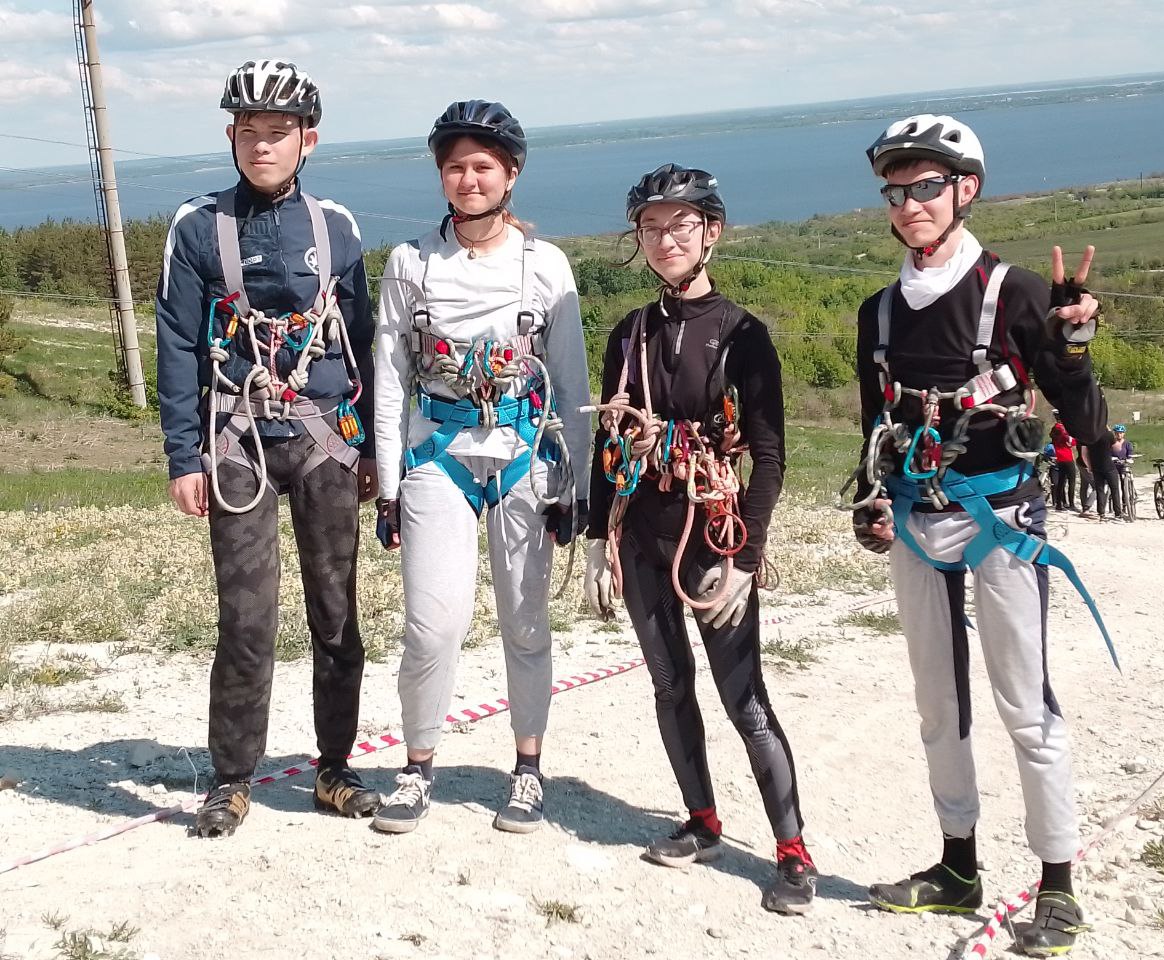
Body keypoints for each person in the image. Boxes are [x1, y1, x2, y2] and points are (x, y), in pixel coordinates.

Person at [849, 115, 1113, 956]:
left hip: (1000, 520)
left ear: (966, 189)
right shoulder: (879, 313)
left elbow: (1087, 423)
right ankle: (957, 866)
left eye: (927, 186)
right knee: (939, 703)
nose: (910, 203)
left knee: (1024, 704)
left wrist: (1070, 349)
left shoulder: (1018, 293)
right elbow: (875, 428)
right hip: (916, 521)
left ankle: (1058, 886)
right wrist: (870, 501)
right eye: (897, 190)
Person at [581, 164, 817, 915]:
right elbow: (608, 441)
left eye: (680, 225)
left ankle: (793, 852)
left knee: (743, 699)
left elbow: (770, 456)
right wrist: (597, 540)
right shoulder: (629, 334)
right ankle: (703, 821)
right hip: (641, 535)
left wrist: (746, 560)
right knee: (669, 684)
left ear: (711, 231)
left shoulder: (743, 336)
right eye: (650, 227)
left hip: (712, 534)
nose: (665, 240)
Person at [155, 60, 380, 837]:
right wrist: (182, 456)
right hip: (236, 440)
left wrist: (371, 447)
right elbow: (176, 343)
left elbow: (362, 339)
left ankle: (334, 768)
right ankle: (231, 778)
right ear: (231, 136)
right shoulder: (196, 227)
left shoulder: (336, 227)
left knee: (336, 614)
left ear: (306, 140)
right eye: (248, 131)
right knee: (246, 621)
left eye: (278, 132)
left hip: (325, 441)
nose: (262, 145)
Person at [371, 100, 591, 836]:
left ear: (511, 174)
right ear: (441, 175)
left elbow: (572, 382)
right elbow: (391, 380)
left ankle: (528, 768)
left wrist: (577, 487)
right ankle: (417, 766)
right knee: (432, 627)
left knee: (525, 623)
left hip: (524, 455)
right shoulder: (410, 264)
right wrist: (388, 487)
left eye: (483, 167)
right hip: (438, 453)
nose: (469, 180)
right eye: (456, 167)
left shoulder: (545, 266)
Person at [1049, 421, 1077, 511]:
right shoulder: (1064, 431)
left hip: (1059, 458)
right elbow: (1073, 442)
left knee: (1061, 482)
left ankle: (1059, 504)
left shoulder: (1054, 431)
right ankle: (1071, 504)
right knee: (1071, 481)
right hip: (1068, 458)